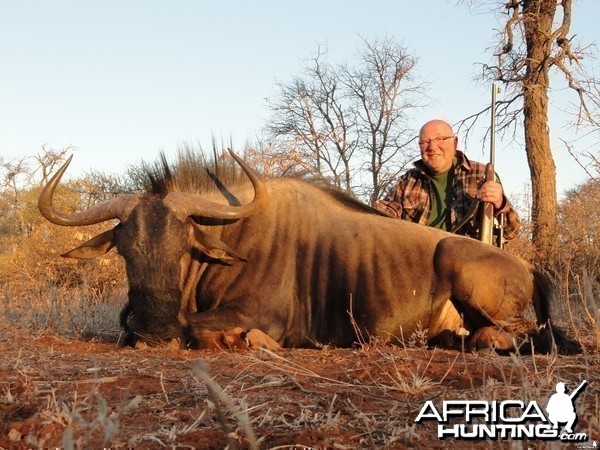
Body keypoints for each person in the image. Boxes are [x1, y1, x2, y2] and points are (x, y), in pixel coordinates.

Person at [375, 119, 521, 241]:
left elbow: (511, 232)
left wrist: (499, 203)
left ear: (455, 142)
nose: (432, 147)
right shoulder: (409, 180)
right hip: (420, 259)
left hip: (468, 262)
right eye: (425, 142)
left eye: (440, 139)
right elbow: (383, 216)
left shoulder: (481, 174)